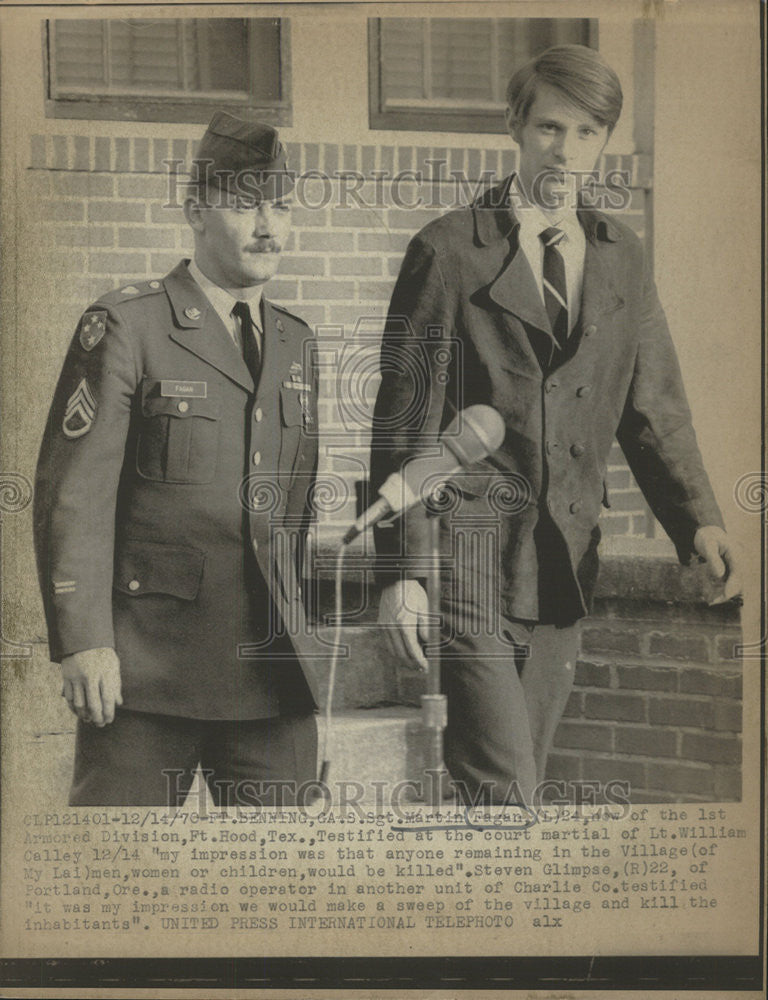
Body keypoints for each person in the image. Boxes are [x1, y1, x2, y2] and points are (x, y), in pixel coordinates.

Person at [370, 44, 742, 806]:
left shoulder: (621, 258)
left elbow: (654, 407)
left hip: (564, 559)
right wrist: (403, 572)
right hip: (465, 551)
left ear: (603, 142)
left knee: (517, 786)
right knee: (504, 785)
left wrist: (697, 521)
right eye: (549, 128)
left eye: (586, 133)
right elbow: (402, 428)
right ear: (515, 124)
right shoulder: (448, 251)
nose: (564, 151)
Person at [34, 113, 320, 807]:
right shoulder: (128, 326)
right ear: (195, 210)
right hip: (144, 676)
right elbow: (74, 496)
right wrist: (84, 641)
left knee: (282, 898)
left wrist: (313, 680)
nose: (267, 225)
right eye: (245, 201)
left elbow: (293, 523)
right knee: (114, 885)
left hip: (269, 682)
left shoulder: (294, 342)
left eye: (281, 205)